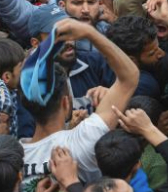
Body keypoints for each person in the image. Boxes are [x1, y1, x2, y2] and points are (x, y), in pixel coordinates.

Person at [19, 19, 139, 190]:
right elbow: (130, 77)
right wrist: (91, 33)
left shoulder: (14, 154)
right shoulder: (83, 139)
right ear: (66, 102)